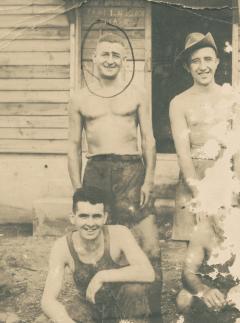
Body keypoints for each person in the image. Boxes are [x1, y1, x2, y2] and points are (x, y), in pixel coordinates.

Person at [67, 33, 161, 321]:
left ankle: (153, 313)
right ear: (93, 58)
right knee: (99, 238)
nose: (110, 60)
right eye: (104, 54)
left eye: (116, 55)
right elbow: (72, 145)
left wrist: (149, 179)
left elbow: (149, 140)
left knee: (148, 241)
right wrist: (77, 190)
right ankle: (100, 307)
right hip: (96, 170)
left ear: (124, 60)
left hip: (131, 169)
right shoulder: (79, 97)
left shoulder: (137, 94)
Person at [40, 187, 155, 323]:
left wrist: (102, 276)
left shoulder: (120, 234)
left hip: (122, 306)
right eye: (84, 216)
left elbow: (148, 272)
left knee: (134, 290)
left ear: (105, 217)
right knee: (49, 319)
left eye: (96, 216)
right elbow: (47, 299)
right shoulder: (62, 247)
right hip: (89, 306)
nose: (90, 224)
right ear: (73, 218)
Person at [169, 32, 240, 241]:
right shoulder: (179, 103)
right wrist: (198, 194)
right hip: (193, 177)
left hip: (223, 176)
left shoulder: (232, 98)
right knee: (194, 248)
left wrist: (235, 190)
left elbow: (238, 150)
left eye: (208, 59)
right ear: (187, 67)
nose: (202, 67)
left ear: (217, 62)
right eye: (195, 61)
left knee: (224, 248)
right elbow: (183, 155)